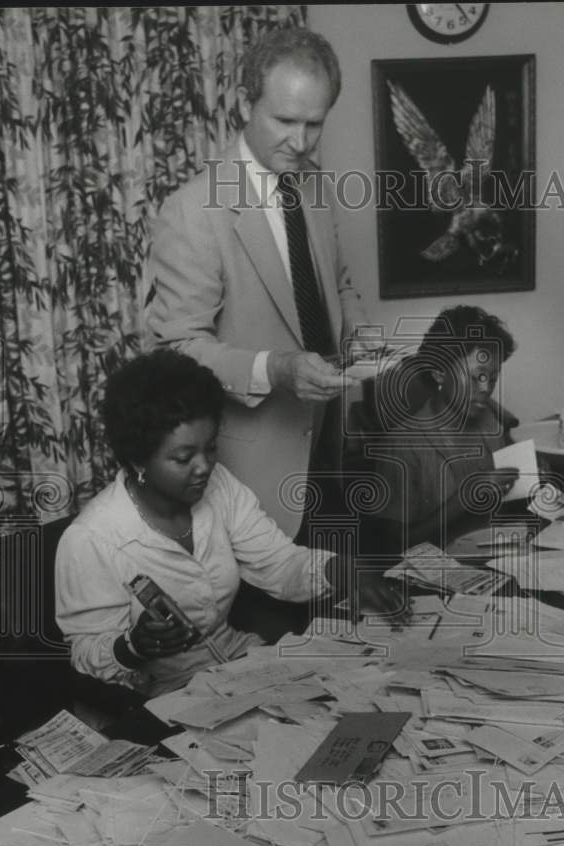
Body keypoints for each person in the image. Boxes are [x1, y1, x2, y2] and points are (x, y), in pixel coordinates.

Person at [55, 351, 403, 699]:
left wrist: (338, 569)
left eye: (210, 449)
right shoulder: (91, 538)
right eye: (183, 458)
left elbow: (278, 563)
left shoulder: (219, 486)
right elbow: (86, 654)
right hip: (166, 694)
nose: (204, 467)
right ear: (137, 458)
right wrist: (133, 646)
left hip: (243, 662)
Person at [145, 26, 377, 539]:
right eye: (285, 120)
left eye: (314, 124)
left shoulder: (316, 186)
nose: (300, 142)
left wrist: (357, 331)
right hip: (250, 481)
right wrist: (275, 369)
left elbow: (338, 284)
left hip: (328, 454)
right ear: (243, 103)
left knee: (335, 612)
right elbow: (178, 350)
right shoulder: (191, 211)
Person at [368, 306, 520, 551]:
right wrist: (462, 501)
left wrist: (530, 478)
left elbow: (504, 503)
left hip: (493, 555)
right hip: (436, 571)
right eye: (475, 377)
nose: (486, 389)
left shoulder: (491, 421)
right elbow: (392, 544)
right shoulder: (401, 444)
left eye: (492, 378)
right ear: (439, 373)